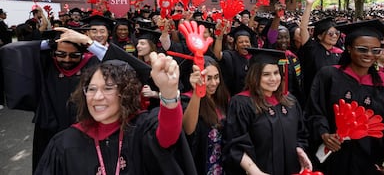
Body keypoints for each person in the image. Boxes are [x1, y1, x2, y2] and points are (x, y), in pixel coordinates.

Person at [35, 54, 197, 174]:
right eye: (91, 89)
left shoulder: (142, 129)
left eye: (108, 88)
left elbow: (168, 134)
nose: (97, 97)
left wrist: (168, 93)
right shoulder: (65, 143)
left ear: (126, 93)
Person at [306, 19, 384, 175]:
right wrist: (323, 133)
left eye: (375, 50)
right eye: (362, 49)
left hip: (371, 160)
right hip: (333, 157)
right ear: (349, 48)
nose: (369, 55)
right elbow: (315, 110)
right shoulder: (329, 76)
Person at [0, 30, 100, 172]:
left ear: (83, 53)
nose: (66, 59)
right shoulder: (47, 63)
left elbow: (120, 62)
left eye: (74, 55)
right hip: (49, 127)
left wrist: (89, 43)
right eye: (61, 54)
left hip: (83, 128)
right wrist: (50, 43)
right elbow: (9, 50)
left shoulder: (92, 64)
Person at [223, 47, 312, 175]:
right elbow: (235, 145)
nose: (273, 78)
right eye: (266, 74)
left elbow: (301, 134)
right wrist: (255, 172)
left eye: (276, 73)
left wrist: (300, 151)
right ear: (255, 76)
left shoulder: (290, 101)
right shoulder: (241, 103)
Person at [182, 56, 230, 174]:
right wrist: (197, 92)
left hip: (223, 163)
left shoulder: (222, 99)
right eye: (208, 78)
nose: (214, 83)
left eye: (216, 77)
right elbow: (188, 129)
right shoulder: (187, 100)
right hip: (202, 164)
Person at [299, 0, 343, 102]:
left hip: (334, 97)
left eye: (337, 33)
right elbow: (303, 28)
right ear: (319, 36)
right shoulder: (312, 49)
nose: (334, 36)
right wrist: (309, 5)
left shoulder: (339, 54)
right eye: (330, 33)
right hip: (313, 97)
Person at [213, 23, 258, 96]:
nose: (244, 44)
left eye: (247, 41)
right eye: (240, 42)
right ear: (236, 45)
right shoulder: (231, 56)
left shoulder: (255, 58)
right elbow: (217, 55)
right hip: (233, 96)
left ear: (250, 43)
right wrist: (219, 37)